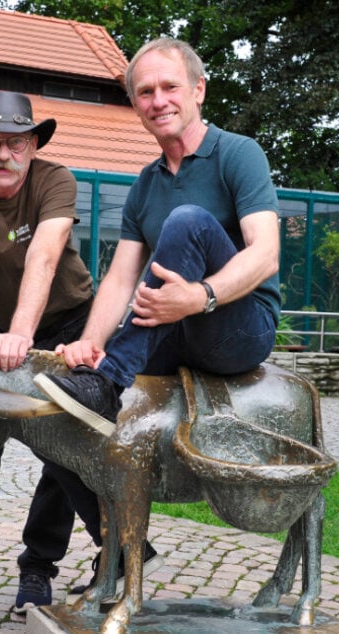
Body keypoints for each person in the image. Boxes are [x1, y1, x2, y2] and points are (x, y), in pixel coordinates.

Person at [0, 91, 160, 634]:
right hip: (2, 329)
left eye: (17, 142)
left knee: (65, 445)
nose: (4, 153)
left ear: (33, 146)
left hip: (69, 323)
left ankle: (45, 568)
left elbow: (45, 254)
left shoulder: (56, 179)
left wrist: (23, 335)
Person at [34, 38, 281, 435]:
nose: (158, 101)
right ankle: (97, 390)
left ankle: (108, 383)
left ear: (198, 90)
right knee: (73, 398)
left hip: (240, 328)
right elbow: (119, 279)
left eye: (170, 87)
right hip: (173, 329)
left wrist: (199, 296)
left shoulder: (239, 153)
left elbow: (266, 254)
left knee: (187, 222)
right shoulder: (145, 185)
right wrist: (91, 343)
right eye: (145, 92)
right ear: (135, 105)